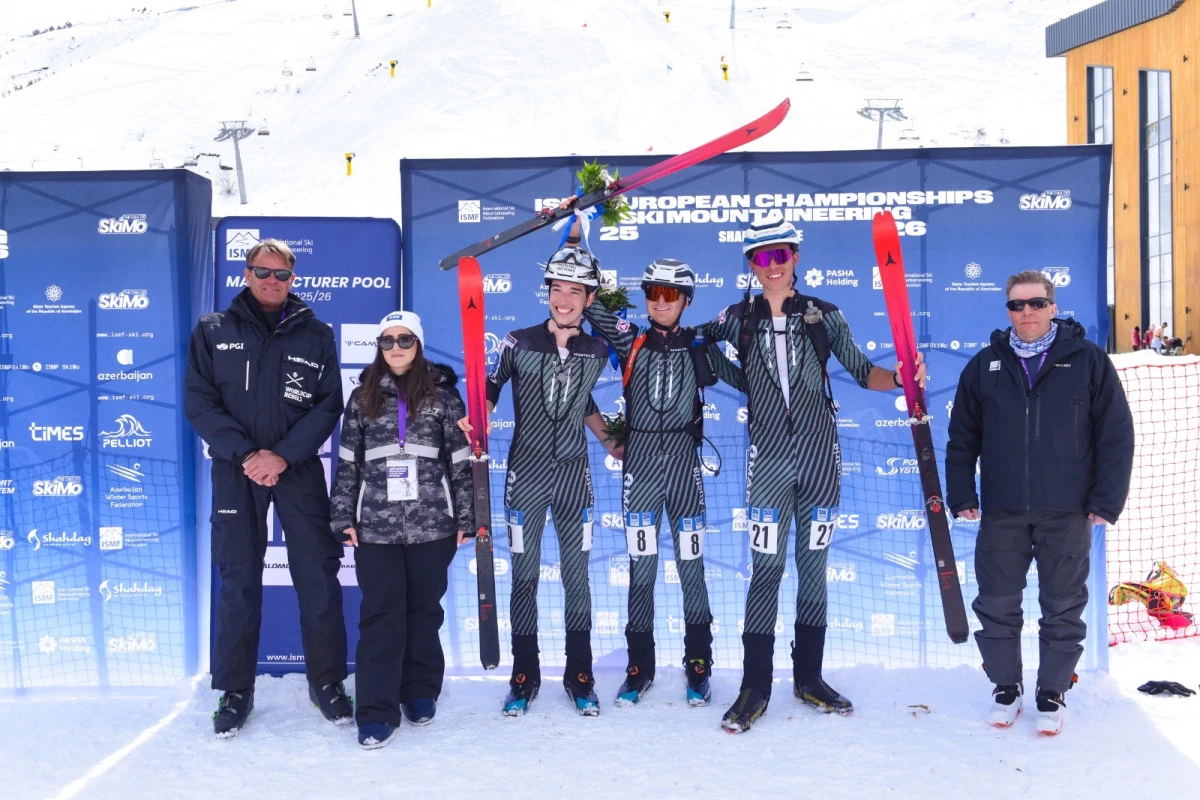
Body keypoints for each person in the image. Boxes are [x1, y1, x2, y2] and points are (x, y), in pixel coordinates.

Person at [701, 217, 925, 733]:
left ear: (795, 257)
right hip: (769, 461)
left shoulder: (825, 315)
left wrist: (901, 377)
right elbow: (694, 345)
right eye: (761, 257)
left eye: (781, 254)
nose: (773, 265)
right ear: (752, 266)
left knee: (814, 568)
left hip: (822, 458)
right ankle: (755, 686)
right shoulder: (735, 317)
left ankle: (809, 678)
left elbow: (862, 369)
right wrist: (738, 378)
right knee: (765, 571)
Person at [945, 270, 1134, 736]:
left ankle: (1052, 692)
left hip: (1067, 510)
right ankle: (1005, 689)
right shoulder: (985, 364)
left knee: (1064, 605)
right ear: (1007, 310)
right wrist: (962, 492)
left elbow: (1116, 436)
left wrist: (1106, 500)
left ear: (1053, 306)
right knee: (996, 604)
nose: (1025, 312)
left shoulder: (1088, 361)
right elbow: (962, 437)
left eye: (1035, 303)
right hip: (1003, 510)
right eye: (1016, 305)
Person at [185, 238, 350, 739]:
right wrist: (249, 454)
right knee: (238, 580)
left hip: (295, 468)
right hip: (237, 470)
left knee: (318, 577)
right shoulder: (214, 330)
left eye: (282, 275)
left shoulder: (316, 333)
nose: (272, 281)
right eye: (263, 272)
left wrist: (282, 455)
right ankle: (236, 691)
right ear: (246, 273)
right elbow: (200, 402)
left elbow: (328, 404)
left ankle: (327, 683)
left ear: (293, 279)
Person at [464, 245, 619, 717]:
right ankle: (523, 677)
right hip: (525, 476)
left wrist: (615, 443)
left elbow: (584, 403)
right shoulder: (518, 342)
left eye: (575, 291)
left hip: (576, 477)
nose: (564, 299)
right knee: (524, 577)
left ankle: (580, 677)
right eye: (557, 289)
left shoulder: (597, 348)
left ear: (589, 298)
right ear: (547, 293)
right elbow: (488, 390)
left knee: (578, 579)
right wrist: (478, 420)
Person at [582, 254, 743, 708]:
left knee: (693, 570)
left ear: (686, 300)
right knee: (641, 571)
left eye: (670, 295)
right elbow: (590, 304)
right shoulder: (630, 339)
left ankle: (698, 668)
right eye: (653, 293)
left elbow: (750, 380)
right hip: (640, 470)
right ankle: (639, 670)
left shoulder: (698, 346)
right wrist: (578, 231)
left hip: (683, 469)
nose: (660, 302)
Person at [330, 311, 475, 750]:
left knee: (424, 611)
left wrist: (467, 517)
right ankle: (375, 711)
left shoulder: (445, 398)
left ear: (419, 343)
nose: (395, 348)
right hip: (375, 528)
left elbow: (461, 462)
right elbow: (347, 463)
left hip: (433, 524)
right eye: (388, 341)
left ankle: (419, 690)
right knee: (380, 616)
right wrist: (342, 517)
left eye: (405, 339)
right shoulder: (360, 399)